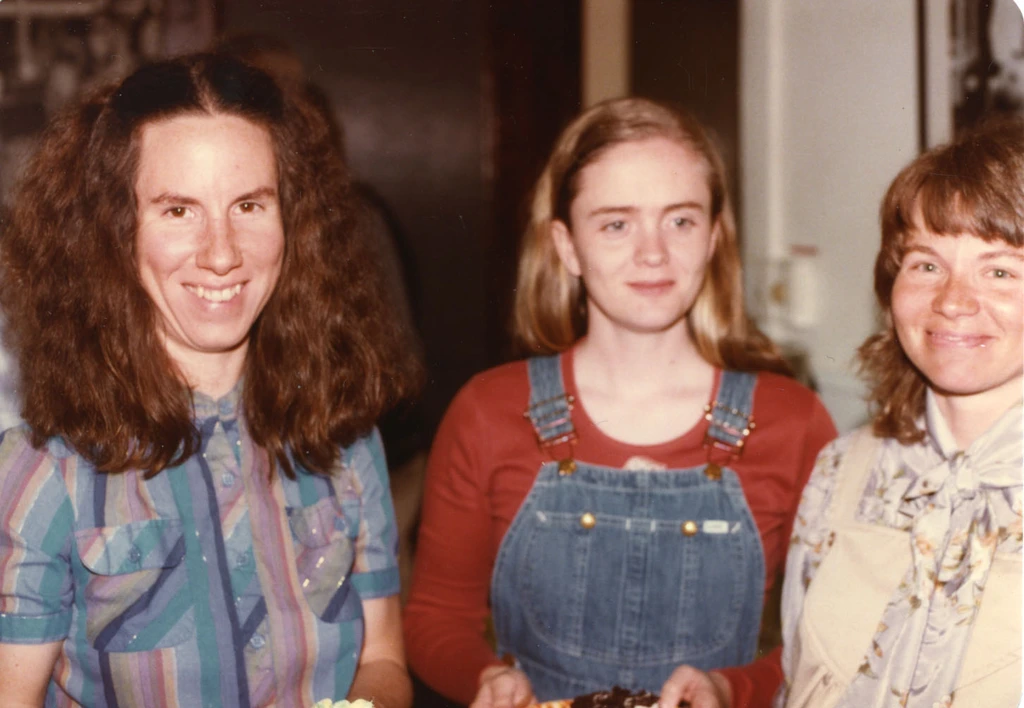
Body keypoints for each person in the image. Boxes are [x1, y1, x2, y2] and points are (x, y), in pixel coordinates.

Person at [0, 53, 419, 707]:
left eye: (249, 204)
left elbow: (384, 660)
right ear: (115, 231)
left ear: (294, 222)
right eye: (177, 211)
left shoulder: (345, 439)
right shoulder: (44, 466)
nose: (222, 252)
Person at [402, 97, 837, 708]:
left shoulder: (793, 423)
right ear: (567, 246)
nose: (653, 253)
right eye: (616, 224)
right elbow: (435, 617)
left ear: (714, 236)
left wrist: (733, 688)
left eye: (680, 221)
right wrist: (485, 678)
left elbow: (827, 641)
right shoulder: (487, 412)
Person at [662, 118, 1024, 708]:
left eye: (1001, 271)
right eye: (927, 265)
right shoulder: (841, 471)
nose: (953, 300)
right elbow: (796, 680)